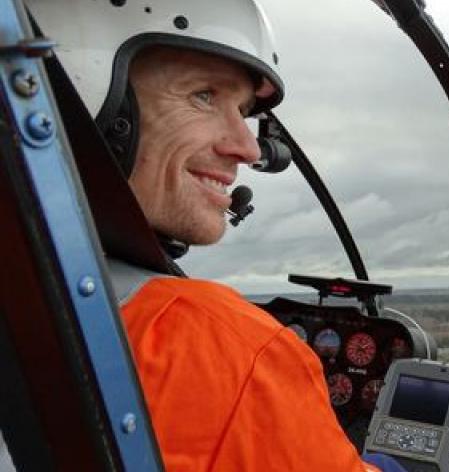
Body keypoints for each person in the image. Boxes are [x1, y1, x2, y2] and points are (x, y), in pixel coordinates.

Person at [27, 1, 405, 470]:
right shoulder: (223, 345)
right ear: (85, 95)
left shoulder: (28, 292)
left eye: (244, 112)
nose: (247, 148)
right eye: (204, 96)